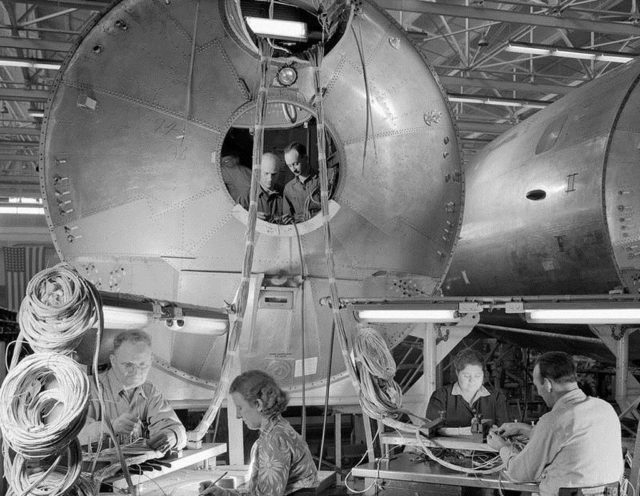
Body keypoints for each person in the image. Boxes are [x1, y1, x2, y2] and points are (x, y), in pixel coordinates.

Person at [487, 351, 623, 496]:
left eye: (537, 386)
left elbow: (520, 473)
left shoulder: (554, 420)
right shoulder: (605, 408)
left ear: (547, 384)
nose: (539, 392)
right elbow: (570, 438)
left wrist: (503, 447)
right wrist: (524, 429)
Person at [199, 370, 317, 496]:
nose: (238, 415)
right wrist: (224, 493)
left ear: (258, 404)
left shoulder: (274, 440)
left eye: (240, 408)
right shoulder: (278, 430)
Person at [78, 330, 187, 452]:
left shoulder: (149, 392)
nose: (136, 372)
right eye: (128, 365)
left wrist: (171, 436)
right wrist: (109, 427)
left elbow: (177, 428)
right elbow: (72, 435)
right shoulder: (88, 389)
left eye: (142, 365)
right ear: (113, 361)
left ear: (150, 361)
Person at [426, 349, 508, 434]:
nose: (472, 381)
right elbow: (430, 430)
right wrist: (469, 431)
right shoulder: (441, 396)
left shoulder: (496, 397)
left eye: (477, 376)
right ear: (457, 373)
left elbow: (505, 430)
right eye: (466, 376)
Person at [239, 153, 283, 223]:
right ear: (258, 172)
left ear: (279, 173)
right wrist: (250, 217)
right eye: (266, 173)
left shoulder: (285, 193)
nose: (270, 179)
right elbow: (235, 223)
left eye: (274, 174)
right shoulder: (246, 196)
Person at [282, 142, 320, 223]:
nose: (293, 169)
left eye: (295, 164)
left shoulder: (322, 180)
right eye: (289, 166)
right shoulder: (288, 188)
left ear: (305, 158)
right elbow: (287, 219)